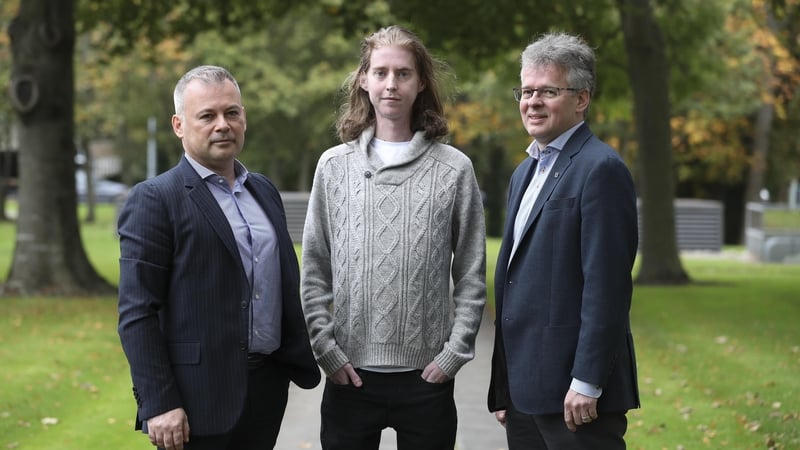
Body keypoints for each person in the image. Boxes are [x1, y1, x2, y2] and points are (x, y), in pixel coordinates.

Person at [301, 25, 487, 450]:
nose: (391, 84)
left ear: (421, 82)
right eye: (381, 72)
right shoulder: (333, 167)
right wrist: (325, 349)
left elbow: (472, 272)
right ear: (363, 80)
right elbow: (314, 268)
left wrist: (453, 355)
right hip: (349, 375)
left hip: (427, 377)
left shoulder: (454, 169)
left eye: (403, 73)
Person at [117, 65, 320, 450]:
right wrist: (160, 403)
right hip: (195, 402)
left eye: (232, 113)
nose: (222, 125)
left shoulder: (262, 190)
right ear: (179, 125)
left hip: (265, 390)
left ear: (244, 118)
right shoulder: (155, 199)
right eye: (207, 116)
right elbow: (136, 311)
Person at [487, 32, 640, 449]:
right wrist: (505, 385)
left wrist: (588, 381)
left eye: (548, 91)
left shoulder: (601, 169)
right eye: (526, 90)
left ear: (581, 99)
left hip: (575, 397)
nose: (532, 102)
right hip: (524, 394)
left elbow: (607, 288)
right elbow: (517, 284)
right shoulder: (524, 173)